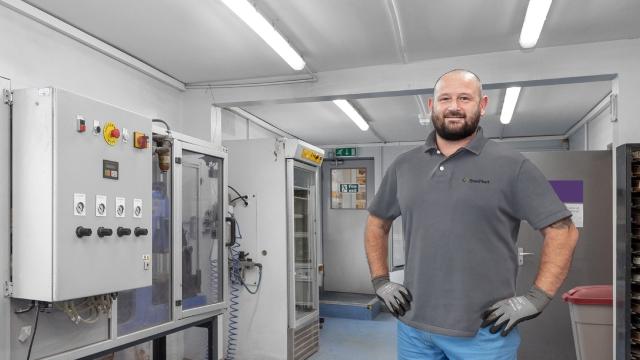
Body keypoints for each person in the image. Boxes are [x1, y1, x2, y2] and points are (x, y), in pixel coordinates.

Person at [364, 69, 579, 359]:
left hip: (483, 334)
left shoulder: (512, 165)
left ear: (482, 104)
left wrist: (536, 298)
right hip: (413, 328)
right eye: (445, 98)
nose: (454, 106)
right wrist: (381, 280)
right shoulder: (404, 166)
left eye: (464, 98)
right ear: (432, 106)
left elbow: (562, 230)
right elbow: (377, 222)